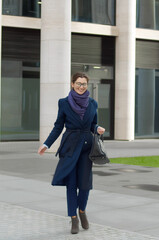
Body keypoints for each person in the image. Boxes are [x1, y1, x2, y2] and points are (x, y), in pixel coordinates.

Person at [37, 72, 105, 234]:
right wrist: (46, 144)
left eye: (84, 84)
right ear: (72, 84)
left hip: (87, 148)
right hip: (69, 147)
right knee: (71, 184)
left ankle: (82, 211)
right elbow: (58, 126)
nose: (81, 87)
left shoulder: (92, 103)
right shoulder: (64, 103)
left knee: (85, 184)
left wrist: (97, 128)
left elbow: (92, 124)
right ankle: (73, 217)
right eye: (78, 83)